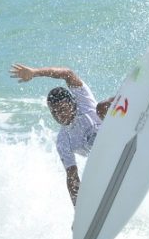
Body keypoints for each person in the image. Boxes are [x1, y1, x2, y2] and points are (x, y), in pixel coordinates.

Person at [9, 64, 113, 206]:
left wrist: (35, 72)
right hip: (103, 159)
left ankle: (135, 101)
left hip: (119, 132)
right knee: (89, 178)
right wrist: (79, 210)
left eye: (63, 109)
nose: (60, 115)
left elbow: (67, 73)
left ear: (73, 103)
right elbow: (72, 176)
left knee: (101, 107)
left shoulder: (84, 101)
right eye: (55, 112)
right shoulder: (63, 141)